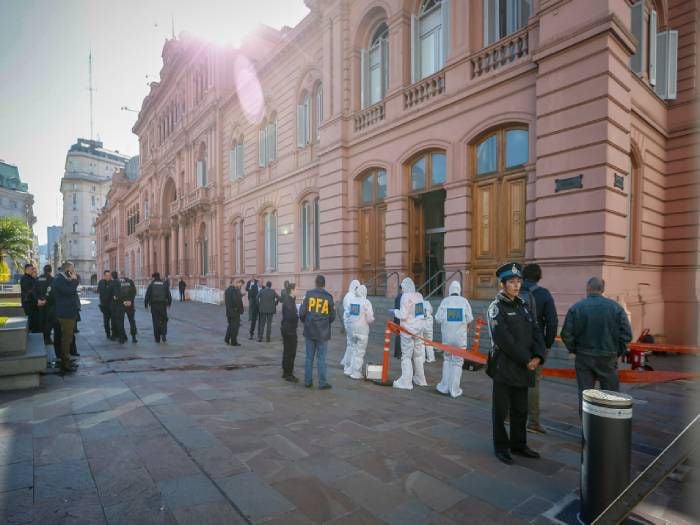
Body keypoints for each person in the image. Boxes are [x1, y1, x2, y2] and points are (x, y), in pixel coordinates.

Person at [486, 262, 546, 465]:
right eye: (512, 282)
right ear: (503, 284)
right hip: (504, 367)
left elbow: (536, 330)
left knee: (521, 409)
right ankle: (501, 447)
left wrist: (538, 355)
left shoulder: (523, 305)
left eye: (518, 281)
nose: (516, 285)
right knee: (501, 411)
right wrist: (527, 359)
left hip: (524, 367)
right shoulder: (496, 308)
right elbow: (504, 339)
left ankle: (519, 444)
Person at [560, 277, 632, 410]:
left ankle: (588, 428)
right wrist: (616, 352)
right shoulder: (616, 308)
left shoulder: (576, 308)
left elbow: (566, 334)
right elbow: (627, 335)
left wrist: (575, 350)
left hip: (584, 357)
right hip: (608, 356)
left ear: (587, 289)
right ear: (603, 289)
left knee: (586, 397)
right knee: (611, 397)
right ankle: (609, 427)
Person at [521, 264, 558, 434]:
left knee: (511, 378)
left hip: (515, 343)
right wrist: (547, 344)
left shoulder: (514, 291)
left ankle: (506, 415)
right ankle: (533, 422)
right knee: (533, 382)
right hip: (536, 345)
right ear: (539, 277)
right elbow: (552, 322)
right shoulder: (543, 295)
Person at [436, 281, 474, 398]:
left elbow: (437, 318)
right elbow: (469, 318)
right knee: (458, 362)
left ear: (450, 290)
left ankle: (444, 386)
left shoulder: (445, 301)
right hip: (460, 339)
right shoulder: (464, 301)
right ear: (459, 290)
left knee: (447, 360)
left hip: (447, 338)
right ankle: (454, 390)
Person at [299, 274, 335, 389]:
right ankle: (322, 382)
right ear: (324, 284)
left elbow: (302, 313)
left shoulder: (309, 295)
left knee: (309, 357)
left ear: (315, 283)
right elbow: (332, 316)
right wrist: (325, 323)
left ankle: (307, 381)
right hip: (323, 332)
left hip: (310, 330)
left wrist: (306, 322)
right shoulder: (328, 297)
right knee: (322, 358)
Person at [392, 277, 427, 390]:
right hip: (419, 330)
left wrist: (395, 312)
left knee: (406, 356)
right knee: (418, 355)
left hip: (407, 330)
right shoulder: (419, 296)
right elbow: (420, 314)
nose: (401, 290)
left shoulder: (405, 297)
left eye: (402, 287)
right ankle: (421, 379)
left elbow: (403, 315)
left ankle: (406, 382)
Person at [52, 261, 79, 374]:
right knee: (66, 339)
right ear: (68, 269)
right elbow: (70, 291)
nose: (74, 271)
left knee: (68, 338)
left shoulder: (62, 278)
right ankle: (65, 364)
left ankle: (66, 360)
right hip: (65, 313)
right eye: (73, 268)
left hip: (68, 312)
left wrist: (73, 280)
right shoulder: (59, 279)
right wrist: (74, 280)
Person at [347, 284, 374, 380]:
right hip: (362, 330)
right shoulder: (366, 302)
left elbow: (348, 314)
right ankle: (356, 373)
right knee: (360, 352)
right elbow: (370, 318)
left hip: (352, 329)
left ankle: (351, 369)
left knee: (354, 350)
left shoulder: (353, 301)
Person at [280, 281, 299, 382]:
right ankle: (289, 374)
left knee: (287, 351)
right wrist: (297, 314)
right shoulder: (289, 301)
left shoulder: (290, 299)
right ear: (292, 290)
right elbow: (290, 316)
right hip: (289, 330)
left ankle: (285, 372)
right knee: (290, 352)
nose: (298, 291)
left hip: (287, 328)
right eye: (296, 289)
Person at [111, 271, 138, 344]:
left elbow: (115, 294)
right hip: (130, 304)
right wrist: (130, 301)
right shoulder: (130, 281)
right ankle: (134, 337)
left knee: (120, 322)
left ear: (119, 275)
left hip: (120, 305)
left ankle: (122, 338)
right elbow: (134, 292)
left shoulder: (116, 282)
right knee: (132, 321)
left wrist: (122, 301)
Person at [145, 272, 172, 343]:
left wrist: (146, 304)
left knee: (155, 321)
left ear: (153, 277)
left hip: (154, 306)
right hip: (163, 305)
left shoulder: (151, 285)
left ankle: (157, 338)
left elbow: (147, 295)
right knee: (164, 320)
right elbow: (168, 295)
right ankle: (163, 334)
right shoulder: (164, 284)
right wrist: (169, 303)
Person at [340, 279, 361, 372]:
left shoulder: (352, 295)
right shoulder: (349, 296)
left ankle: (346, 361)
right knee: (350, 343)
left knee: (351, 343)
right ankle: (348, 364)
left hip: (351, 320)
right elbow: (350, 310)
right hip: (349, 321)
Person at [33, 264, 54, 345]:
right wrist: (46, 300)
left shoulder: (38, 278)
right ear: (51, 271)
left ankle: (43, 338)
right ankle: (47, 338)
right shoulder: (52, 279)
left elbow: (34, 291)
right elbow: (52, 292)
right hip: (49, 304)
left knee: (41, 319)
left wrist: (38, 300)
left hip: (40, 303)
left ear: (43, 270)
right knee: (49, 321)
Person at [224, 279, 244, 346]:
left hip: (229, 311)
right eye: (237, 283)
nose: (238, 284)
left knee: (230, 326)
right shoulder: (233, 290)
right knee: (235, 327)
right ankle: (233, 342)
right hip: (234, 312)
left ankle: (227, 339)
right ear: (233, 283)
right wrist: (238, 308)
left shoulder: (227, 290)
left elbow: (227, 301)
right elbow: (235, 301)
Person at [20, 263, 39, 333]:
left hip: (32, 302)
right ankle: (30, 332)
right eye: (31, 269)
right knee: (30, 318)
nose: (33, 271)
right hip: (27, 302)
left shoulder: (31, 278)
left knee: (34, 318)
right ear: (27, 269)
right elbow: (29, 290)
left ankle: (33, 331)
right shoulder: (24, 278)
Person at [97, 270, 113, 339]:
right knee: (106, 321)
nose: (108, 277)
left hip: (112, 306)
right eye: (106, 276)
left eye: (109, 276)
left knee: (114, 321)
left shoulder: (112, 282)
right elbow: (100, 291)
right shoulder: (101, 282)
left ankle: (114, 334)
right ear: (104, 276)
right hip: (105, 306)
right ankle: (108, 334)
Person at [392, 285, 403, 358]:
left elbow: (396, 309)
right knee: (400, 336)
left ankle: (397, 353)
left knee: (398, 335)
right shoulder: (403, 297)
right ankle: (399, 353)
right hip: (402, 319)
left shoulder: (398, 297)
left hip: (397, 318)